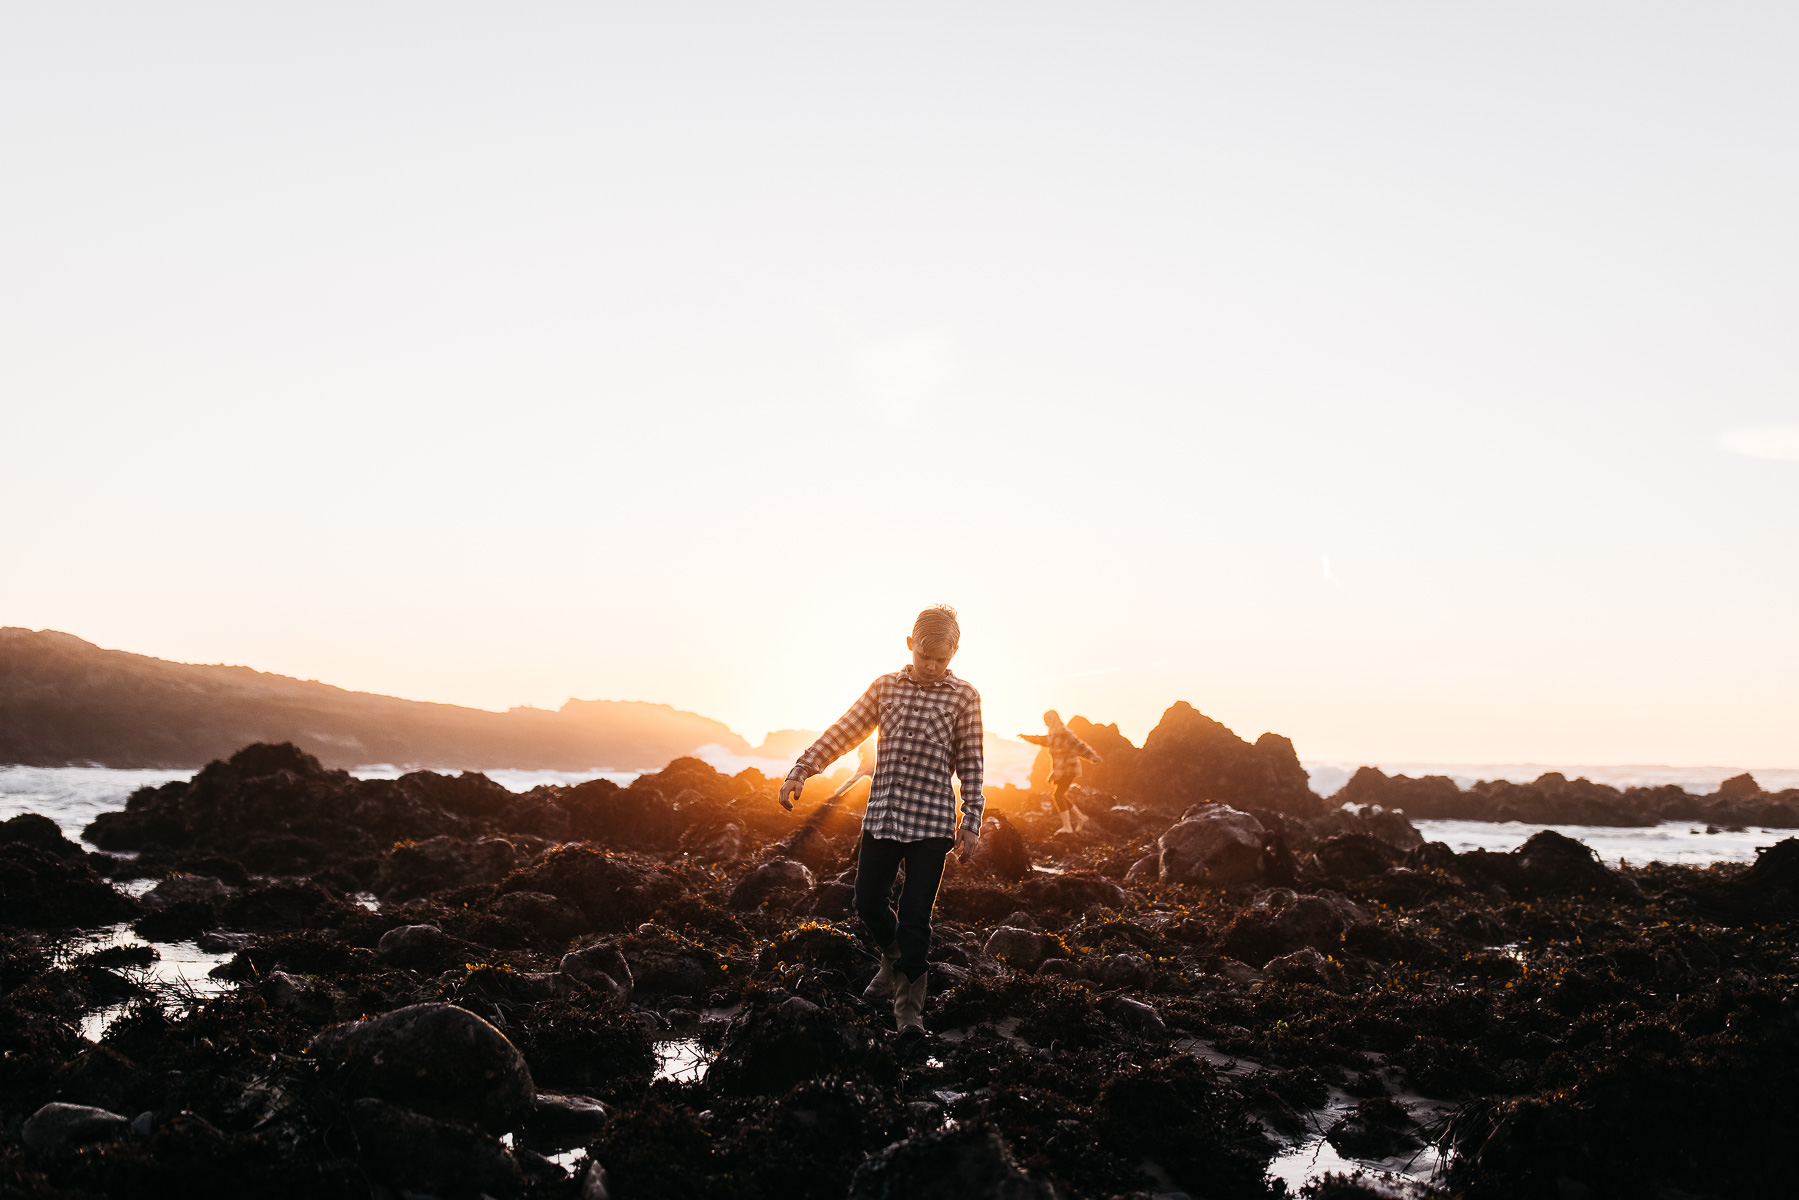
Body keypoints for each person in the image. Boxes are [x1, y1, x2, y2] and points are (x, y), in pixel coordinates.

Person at [778, 604, 983, 1037]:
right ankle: (891, 956)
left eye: (941, 660)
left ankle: (909, 1009)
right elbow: (844, 730)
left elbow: (971, 762)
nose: (931, 666)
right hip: (884, 816)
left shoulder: (964, 697)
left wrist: (972, 819)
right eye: (925, 656)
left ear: (955, 654)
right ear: (910, 645)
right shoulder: (885, 688)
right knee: (867, 900)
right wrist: (801, 769)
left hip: (931, 824)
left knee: (914, 916)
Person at [1020, 709, 1101, 834]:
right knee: (1060, 794)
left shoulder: (1065, 733)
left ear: (1052, 720)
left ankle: (1068, 827)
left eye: (1047, 721)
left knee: (1057, 795)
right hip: (1061, 771)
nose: (1045, 724)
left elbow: (1080, 746)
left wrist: (1092, 757)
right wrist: (1026, 737)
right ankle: (1081, 818)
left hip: (1069, 769)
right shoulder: (1054, 736)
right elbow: (1041, 740)